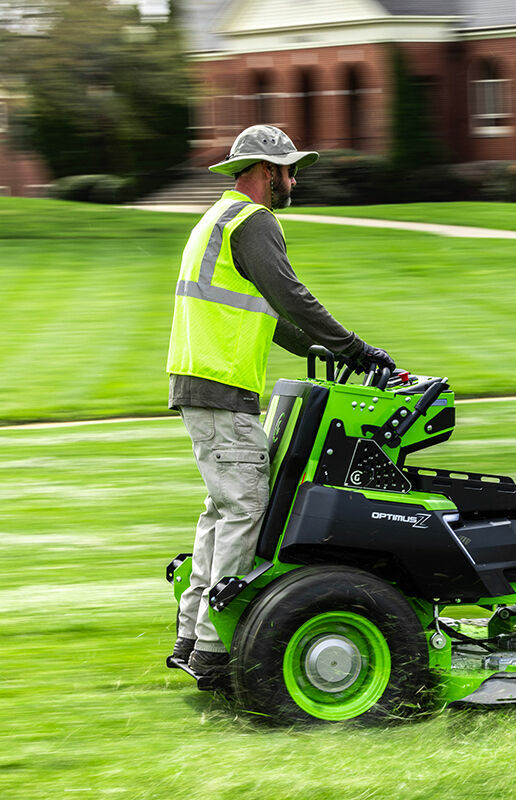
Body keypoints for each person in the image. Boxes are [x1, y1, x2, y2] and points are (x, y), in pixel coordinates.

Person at [165, 124, 393, 677]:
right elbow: (291, 295)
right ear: (267, 173)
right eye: (290, 171)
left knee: (222, 511)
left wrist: (319, 348)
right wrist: (357, 350)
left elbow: (268, 315)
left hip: (201, 382)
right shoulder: (254, 221)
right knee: (245, 508)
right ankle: (216, 650)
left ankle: (190, 635)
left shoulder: (217, 217)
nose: (294, 181)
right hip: (221, 385)